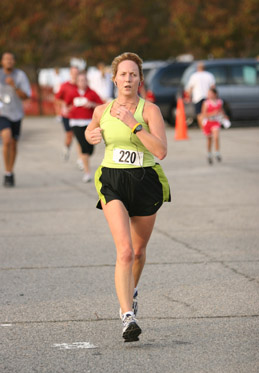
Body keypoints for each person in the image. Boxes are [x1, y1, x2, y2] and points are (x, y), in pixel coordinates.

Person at [85, 52, 171, 342]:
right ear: (114, 78)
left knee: (138, 251)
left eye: (133, 74)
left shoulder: (150, 111)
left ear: (140, 80)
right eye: (123, 74)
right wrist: (89, 134)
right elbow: (91, 129)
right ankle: (127, 317)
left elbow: (160, 151)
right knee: (123, 250)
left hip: (145, 180)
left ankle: (131, 291)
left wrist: (134, 125)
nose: (128, 79)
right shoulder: (102, 109)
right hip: (112, 181)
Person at [0, 52, 31, 187]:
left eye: (11, 59)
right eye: (6, 59)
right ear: (2, 61)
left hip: (16, 113)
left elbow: (26, 96)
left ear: (14, 61)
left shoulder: (20, 75)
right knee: (6, 139)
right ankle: (7, 171)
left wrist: (14, 86)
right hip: (1, 112)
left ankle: (10, 171)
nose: (8, 61)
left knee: (13, 143)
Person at [68, 71, 103, 182]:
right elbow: (66, 105)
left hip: (89, 122)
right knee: (84, 147)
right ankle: (87, 173)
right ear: (77, 82)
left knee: (90, 149)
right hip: (76, 122)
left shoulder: (92, 93)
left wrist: (91, 104)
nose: (83, 82)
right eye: (80, 80)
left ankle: (83, 158)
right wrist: (70, 108)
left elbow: (101, 105)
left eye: (84, 80)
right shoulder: (72, 92)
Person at [55, 66, 83, 167]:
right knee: (70, 136)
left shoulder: (82, 85)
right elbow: (57, 98)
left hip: (79, 115)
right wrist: (63, 105)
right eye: (73, 73)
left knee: (80, 137)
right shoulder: (65, 85)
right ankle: (66, 148)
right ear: (70, 74)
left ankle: (81, 160)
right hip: (67, 115)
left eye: (77, 72)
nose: (75, 75)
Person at [202, 87, 229, 164]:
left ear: (215, 94)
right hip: (208, 123)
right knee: (209, 139)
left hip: (216, 122)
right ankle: (209, 154)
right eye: (208, 94)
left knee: (216, 137)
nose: (209, 95)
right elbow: (203, 114)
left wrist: (224, 116)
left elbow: (221, 110)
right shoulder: (206, 103)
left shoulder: (219, 102)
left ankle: (217, 152)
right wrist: (212, 113)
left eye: (210, 93)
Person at [186, 61, 215, 129]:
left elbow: (190, 88)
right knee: (207, 112)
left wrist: (188, 96)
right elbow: (213, 87)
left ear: (197, 68)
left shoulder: (194, 76)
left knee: (199, 113)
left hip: (197, 97)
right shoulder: (209, 75)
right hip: (208, 97)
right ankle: (208, 126)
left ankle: (202, 127)